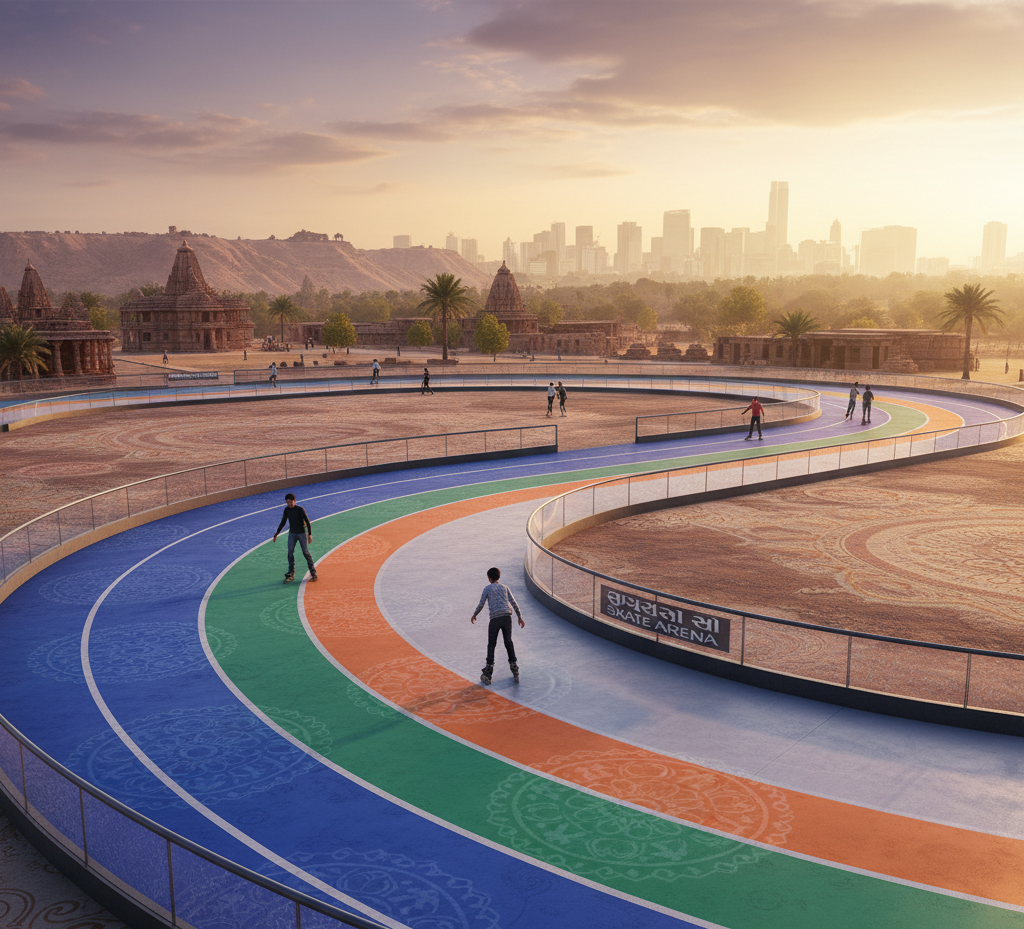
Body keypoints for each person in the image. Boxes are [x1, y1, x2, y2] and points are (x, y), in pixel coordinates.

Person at [471, 566, 524, 685]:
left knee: (492, 644)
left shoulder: (487, 588)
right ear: (499, 576)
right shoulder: (505, 588)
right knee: (508, 642)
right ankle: (514, 666)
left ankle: (488, 672)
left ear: (489, 578)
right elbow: (514, 602)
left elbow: (481, 604)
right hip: (506, 616)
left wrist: (475, 615)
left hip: (495, 618)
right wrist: (519, 617)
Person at [272, 493, 317, 583]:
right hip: (292, 534)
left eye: (291, 502)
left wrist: (310, 534)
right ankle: (291, 573)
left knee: (305, 553)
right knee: (290, 553)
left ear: (295, 501)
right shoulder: (287, 510)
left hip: (302, 534)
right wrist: (276, 533)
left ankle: (313, 572)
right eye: (288, 502)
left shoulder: (300, 510)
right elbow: (283, 522)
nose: (290, 504)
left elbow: (308, 522)